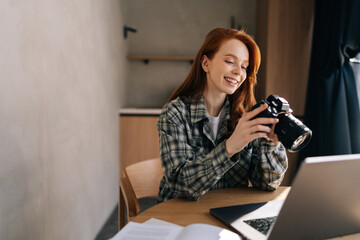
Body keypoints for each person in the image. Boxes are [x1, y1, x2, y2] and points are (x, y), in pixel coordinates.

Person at [157, 28, 288, 203]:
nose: (238, 72)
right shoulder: (175, 113)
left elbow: (266, 184)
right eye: (230, 61)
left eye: (244, 66)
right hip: (180, 216)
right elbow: (180, 184)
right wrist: (230, 147)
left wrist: (271, 145)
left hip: (227, 215)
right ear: (205, 63)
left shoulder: (247, 117)